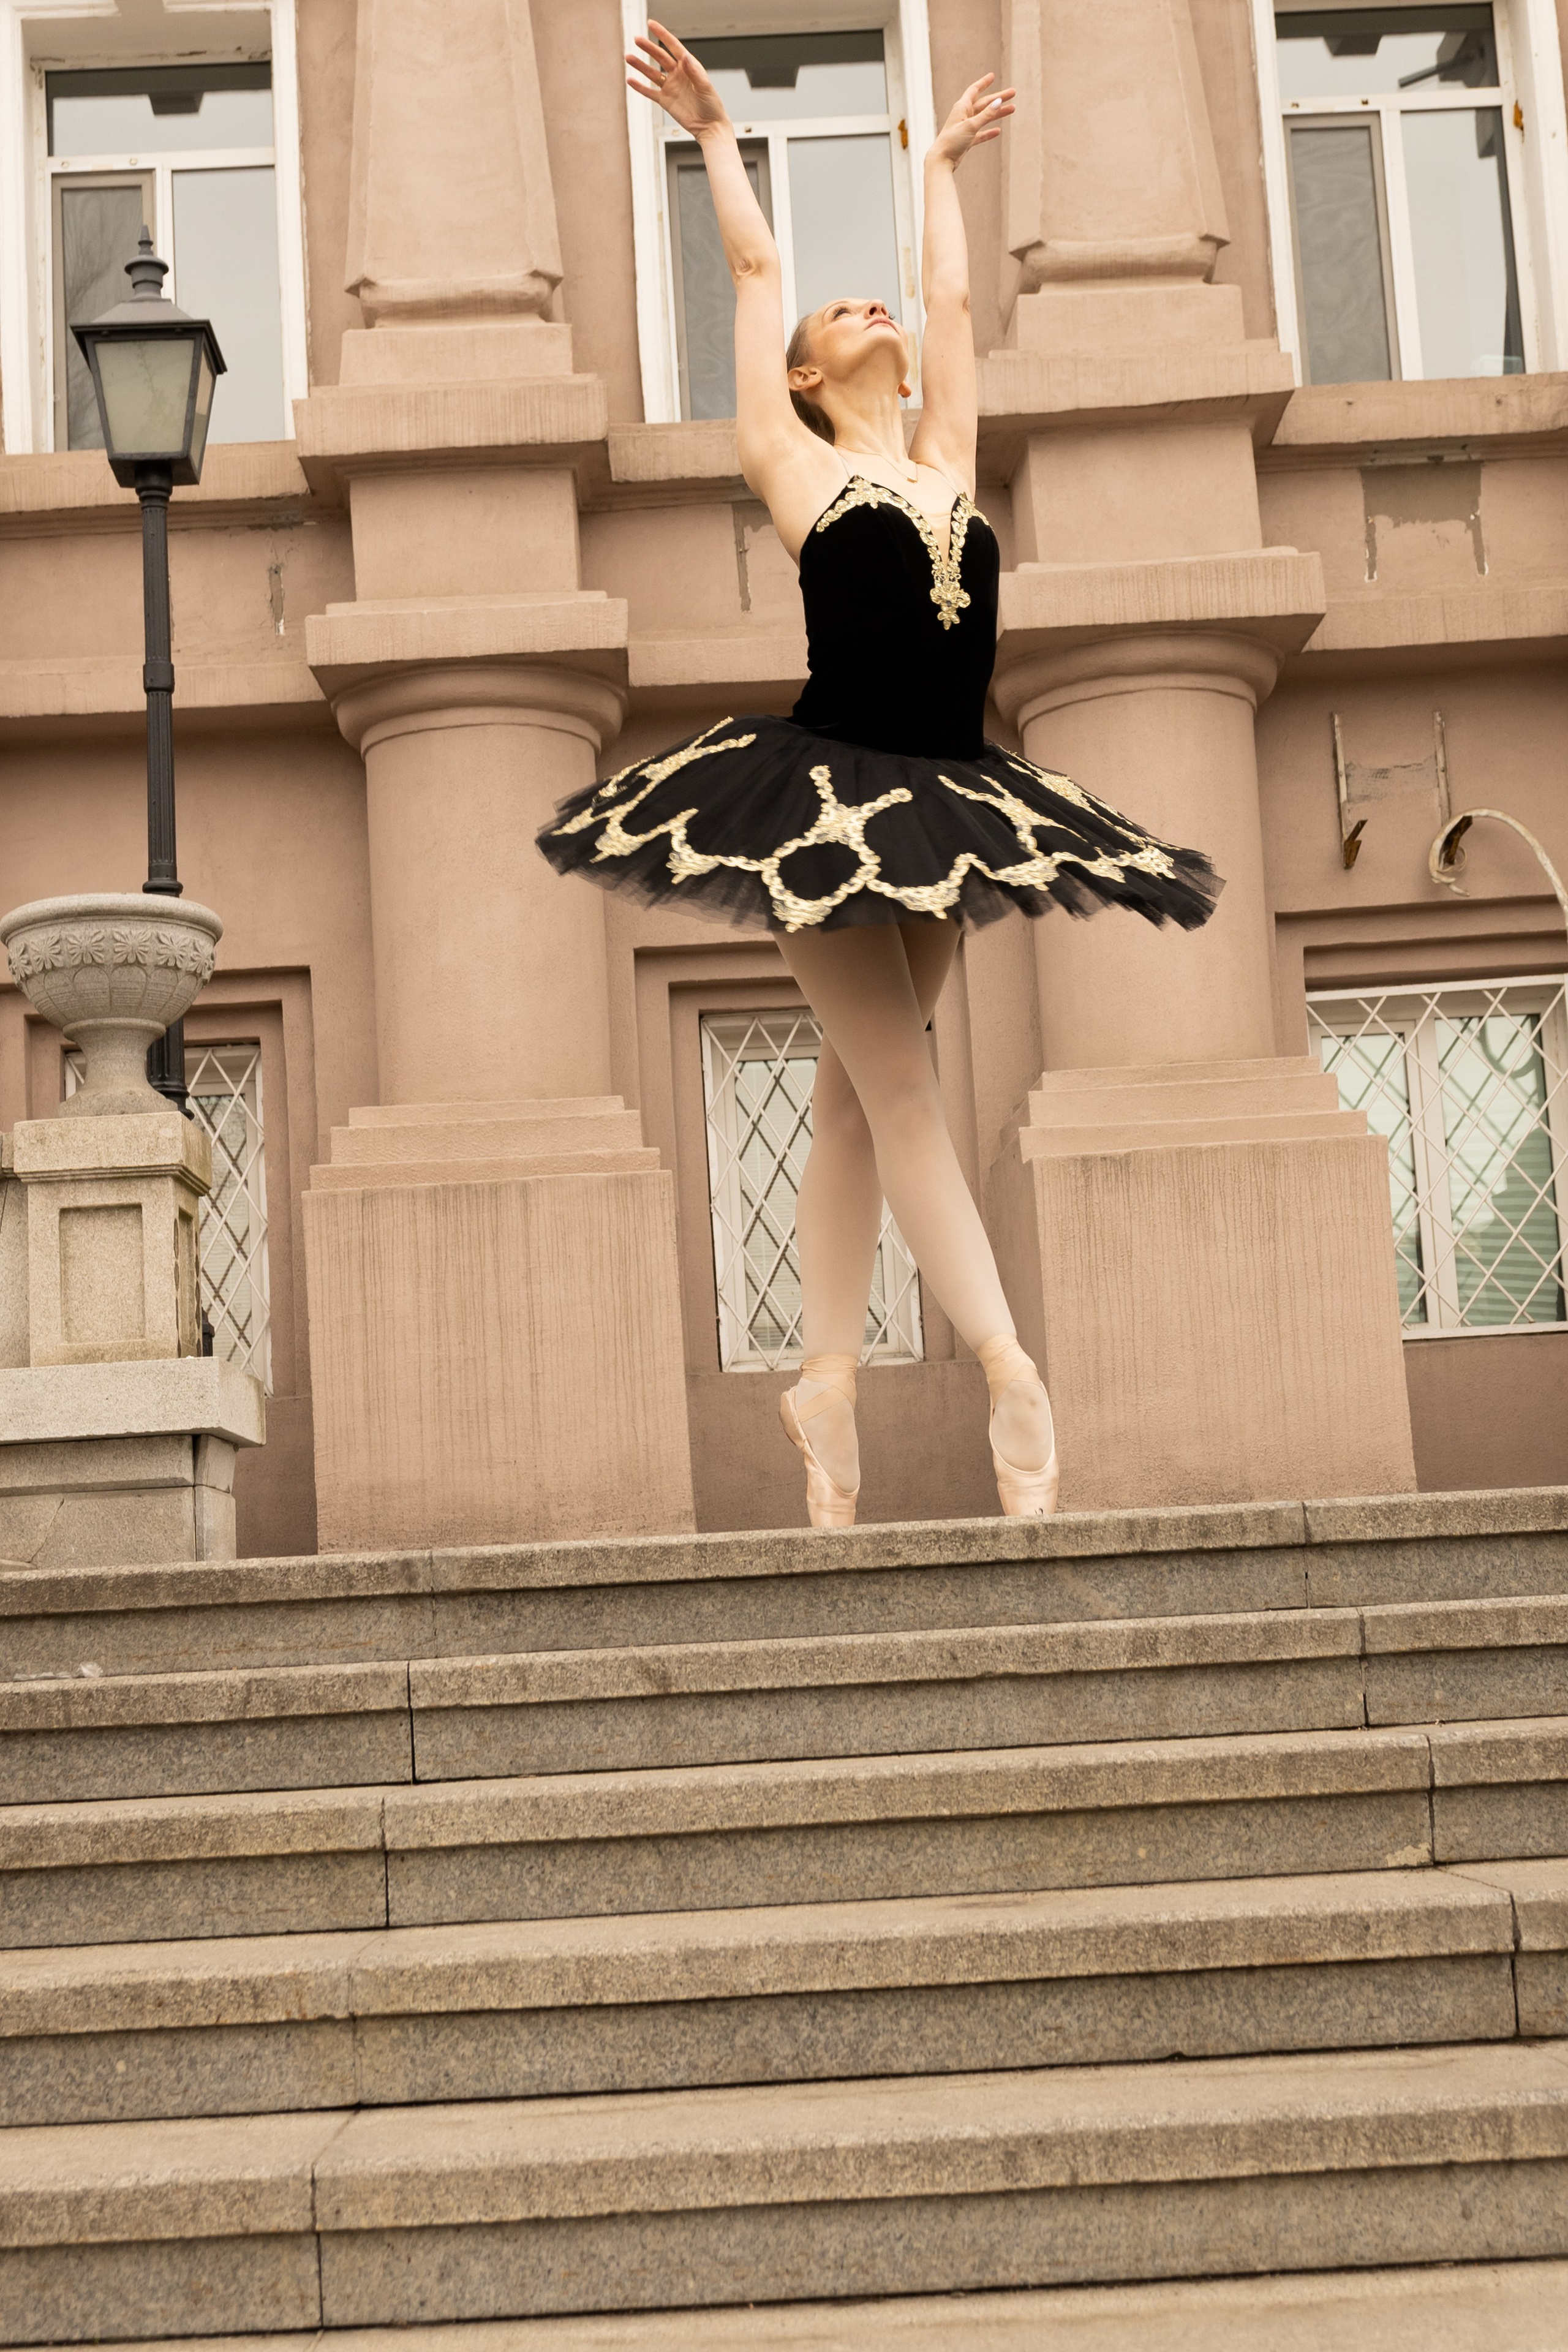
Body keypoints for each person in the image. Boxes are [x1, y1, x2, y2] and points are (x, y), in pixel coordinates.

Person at [539, 22, 1221, 1530]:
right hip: (827, 809)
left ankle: (825, 1382)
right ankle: (1008, 1367)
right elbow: (752, 270)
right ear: (803, 374)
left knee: (856, 1098)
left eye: (879, 302)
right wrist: (713, 137)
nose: (875, 306)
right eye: (842, 310)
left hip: (948, 797)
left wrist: (936, 169)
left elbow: (955, 298)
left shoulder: (945, 465)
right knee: (902, 1085)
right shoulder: (793, 464)